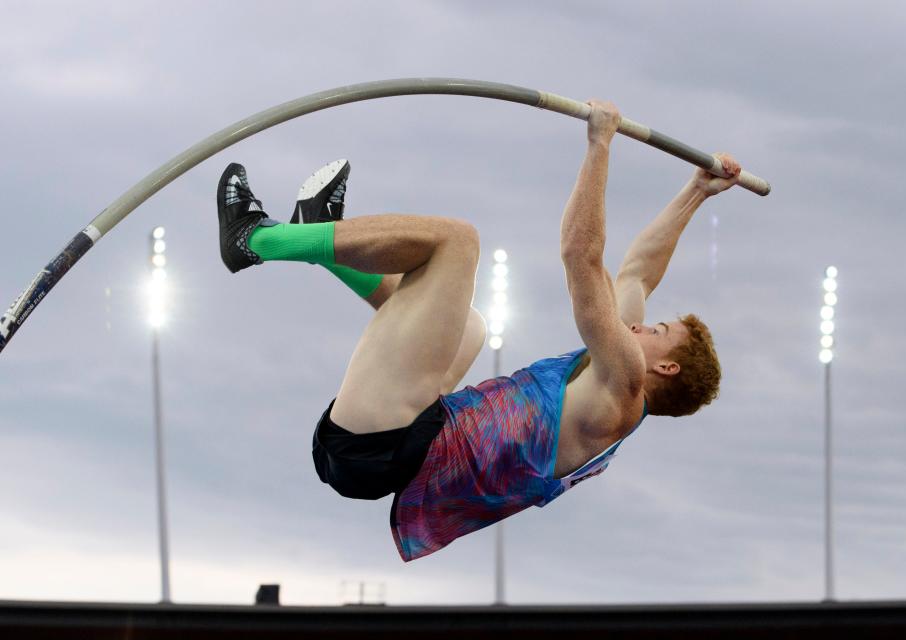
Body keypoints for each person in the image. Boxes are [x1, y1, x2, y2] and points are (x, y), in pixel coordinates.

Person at [215, 100, 742, 561]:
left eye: (661, 330)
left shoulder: (622, 383)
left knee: (456, 242)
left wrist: (599, 142)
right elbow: (637, 272)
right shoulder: (618, 375)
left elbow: (582, 255)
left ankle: (257, 239)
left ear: (664, 366)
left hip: (383, 445)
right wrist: (696, 192)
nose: (646, 324)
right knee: (469, 325)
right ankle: (321, 235)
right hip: (401, 440)